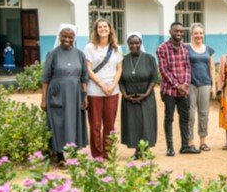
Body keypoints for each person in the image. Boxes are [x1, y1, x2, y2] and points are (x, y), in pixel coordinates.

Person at [41, 23, 88, 166]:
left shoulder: (80, 54)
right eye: (64, 36)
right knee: (58, 122)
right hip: (57, 93)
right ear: (59, 37)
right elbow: (45, 78)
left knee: (74, 121)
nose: (67, 39)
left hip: (75, 93)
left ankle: (73, 153)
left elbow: (84, 77)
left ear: (74, 38)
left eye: (70, 36)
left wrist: (84, 96)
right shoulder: (52, 54)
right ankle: (60, 155)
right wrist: (43, 99)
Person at [156, 21, 200, 156]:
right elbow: (163, 70)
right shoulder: (162, 49)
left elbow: (188, 67)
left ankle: (185, 145)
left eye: (181, 31)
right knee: (169, 118)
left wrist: (185, 84)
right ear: (170, 32)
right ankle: (170, 147)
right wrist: (177, 85)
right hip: (169, 91)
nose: (179, 33)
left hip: (184, 90)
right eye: (176, 31)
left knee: (185, 118)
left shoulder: (185, 49)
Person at [85, 18, 123, 159]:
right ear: (96, 30)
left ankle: (108, 153)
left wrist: (112, 86)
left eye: (105, 26)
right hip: (94, 90)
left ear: (110, 29)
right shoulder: (90, 47)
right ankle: (97, 154)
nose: (103, 29)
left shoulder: (116, 48)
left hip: (112, 91)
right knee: (95, 125)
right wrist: (101, 84)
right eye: (99, 27)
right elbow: (88, 69)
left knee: (109, 124)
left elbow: (119, 69)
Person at [119, 32, 158, 160]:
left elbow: (154, 78)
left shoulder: (149, 58)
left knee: (146, 123)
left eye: (137, 43)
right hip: (129, 97)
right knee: (133, 123)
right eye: (131, 43)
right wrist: (125, 95)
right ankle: (137, 151)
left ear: (141, 44)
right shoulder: (123, 60)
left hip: (146, 95)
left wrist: (146, 94)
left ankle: (145, 150)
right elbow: (120, 80)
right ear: (128, 45)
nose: (134, 45)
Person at [186, 23, 215, 151]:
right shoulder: (186, 49)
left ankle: (203, 141)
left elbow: (212, 68)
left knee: (204, 113)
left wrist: (213, 86)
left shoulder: (209, 49)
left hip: (205, 83)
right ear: (192, 34)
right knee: (190, 114)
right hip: (190, 84)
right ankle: (190, 141)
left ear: (204, 35)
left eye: (201, 33)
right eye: (196, 33)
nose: (198, 35)